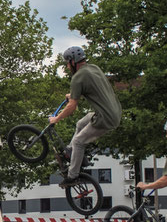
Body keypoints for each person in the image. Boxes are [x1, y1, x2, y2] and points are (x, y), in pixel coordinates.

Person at [49, 46, 121, 188]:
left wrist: (56, 119)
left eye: (67, 63)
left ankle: (72, 176)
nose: (67, 67)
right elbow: (92, 88)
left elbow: (72, 107)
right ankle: (71, 152)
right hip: (114, 112)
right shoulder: (93, 68)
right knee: (81, 123)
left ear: (73, 61)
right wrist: (74, 95)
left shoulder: (78, 77)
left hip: (104, 118)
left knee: (78, 141)